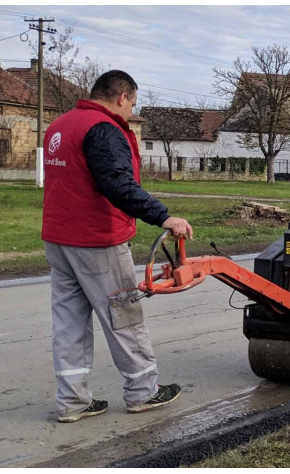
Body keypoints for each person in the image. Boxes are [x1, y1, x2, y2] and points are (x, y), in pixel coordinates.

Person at [42, 70, 192, 423]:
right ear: (122, 96)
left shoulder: (60, 126)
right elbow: (118, 185)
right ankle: (143, 392)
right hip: (97, 241)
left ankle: (72, 402)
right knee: (124, 316)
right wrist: (164, 218)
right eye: (132, 105)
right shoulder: (103, 129)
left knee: (69, 323)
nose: (130, 114)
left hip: (59, 240)